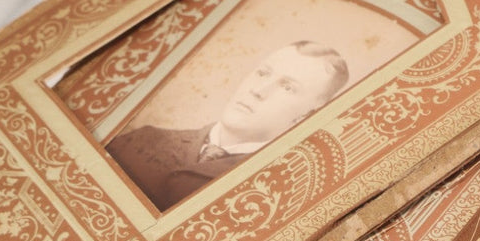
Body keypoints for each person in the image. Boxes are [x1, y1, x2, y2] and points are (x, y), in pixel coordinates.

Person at [107, 40, 350, 210]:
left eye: (287, 88)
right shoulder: (143, 139)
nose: (258, 90)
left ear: (307, 115)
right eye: (263, 73)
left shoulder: (274, 196)